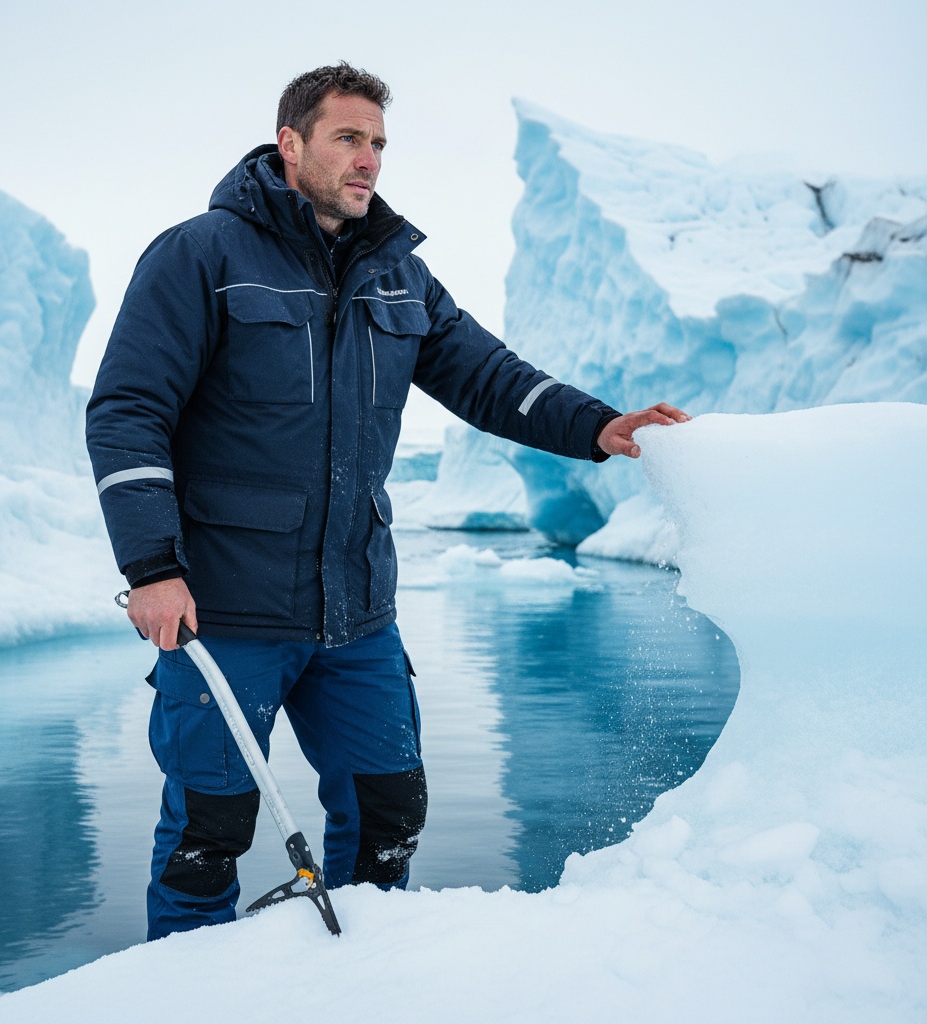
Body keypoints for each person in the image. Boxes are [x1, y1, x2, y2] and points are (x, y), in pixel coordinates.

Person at [85, 62, 688, 941]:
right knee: (206, 841)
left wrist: (597, 426)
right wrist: (150, 566)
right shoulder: (201, 255)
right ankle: (182, 992)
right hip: (226, 611)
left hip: (357, 611)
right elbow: (127, 411)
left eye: (377, 144)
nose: (367, 160)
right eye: (347, 139)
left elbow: (491, 379)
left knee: (388, 821)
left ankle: (354, 981)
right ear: (290, 146)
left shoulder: (400, 277)